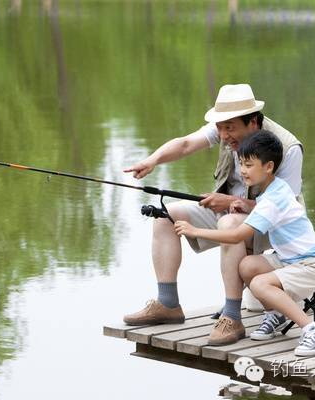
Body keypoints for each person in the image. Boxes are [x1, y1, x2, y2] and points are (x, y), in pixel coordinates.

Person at [122, 84, 304, 345]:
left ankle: (231, 317)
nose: (223, 134)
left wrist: (230, 201)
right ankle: (168, 304)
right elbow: (185, 144)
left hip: (275, 226)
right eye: (220, 127)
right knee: (165, 215)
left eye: (229, 128)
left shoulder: (288, 148)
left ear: (252, 122)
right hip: (229, 212)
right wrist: (152, 160)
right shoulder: (226, 128)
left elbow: (285, 210)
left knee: (229, 222)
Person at [174, 130, 315, 356]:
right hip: (290, 260)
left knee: (259, 284)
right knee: (247, 266)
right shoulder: (274, 188)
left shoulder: (273, 198)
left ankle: (313, 330)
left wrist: (195, 230)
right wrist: (247, 206)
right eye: (241, 164)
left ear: (268, 167)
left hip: (312, 266)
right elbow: (266, 207)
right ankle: (276, 314)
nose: (242, 171)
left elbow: (237, 236)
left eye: (248, 165)